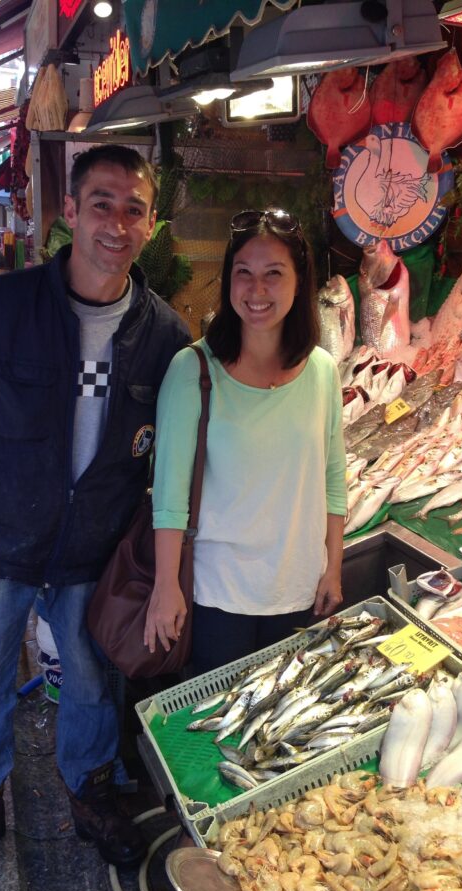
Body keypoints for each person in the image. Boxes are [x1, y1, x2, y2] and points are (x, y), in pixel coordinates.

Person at [0, 144, 190, 884]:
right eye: (102, 202)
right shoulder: (0, 308)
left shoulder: (165, 339)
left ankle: (92, 792)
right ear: (69, 211)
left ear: (152, 223)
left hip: (92, 546)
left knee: (93, 677)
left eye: (135, 208)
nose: (117, 222)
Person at [144, 209, 347, 674]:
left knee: (279, 733)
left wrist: (332, 567)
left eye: (274, 274)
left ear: (300, 283)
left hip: (298, 590)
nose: (257, 291)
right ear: (228, 281)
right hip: (217, 596)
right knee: (215, 732)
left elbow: (333, 479)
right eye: (244, 274)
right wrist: (165, 585)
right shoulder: (192, 370)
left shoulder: (322, 372)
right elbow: (170, 496)